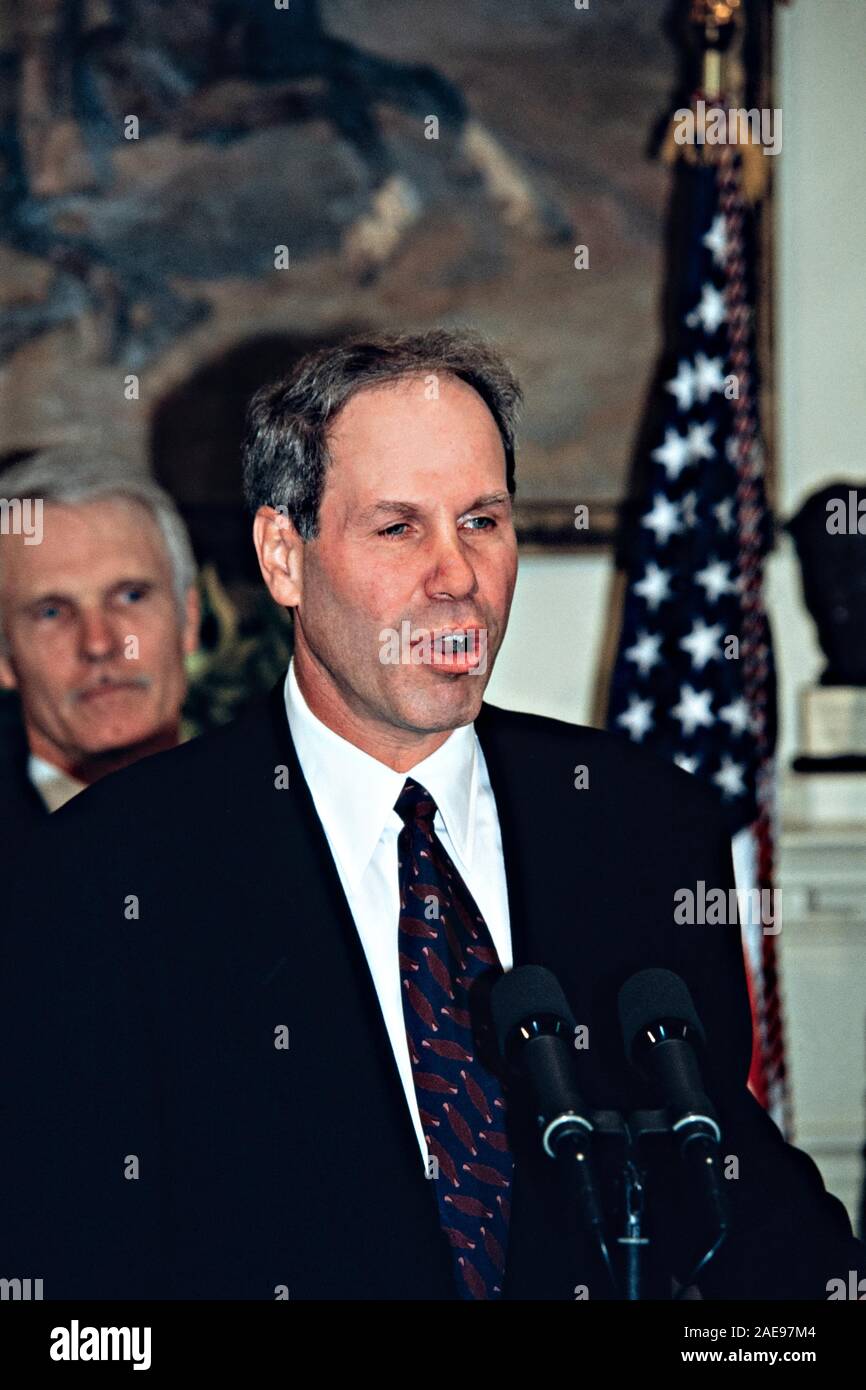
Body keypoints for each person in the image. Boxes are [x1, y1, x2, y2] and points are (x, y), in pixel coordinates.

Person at [0, 330, 863, 1301]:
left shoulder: (637, 823)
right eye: (398, 527)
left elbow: (728, 1191)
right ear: (284, 556)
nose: (454, 576)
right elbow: (75, 1255)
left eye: (482, 521)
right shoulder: (111, 871)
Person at [0, 453, 199, 854]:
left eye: (130, 596)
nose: (98, 644)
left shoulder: (288, 825)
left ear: (188, 619)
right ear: (4, 658)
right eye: (52, 612)